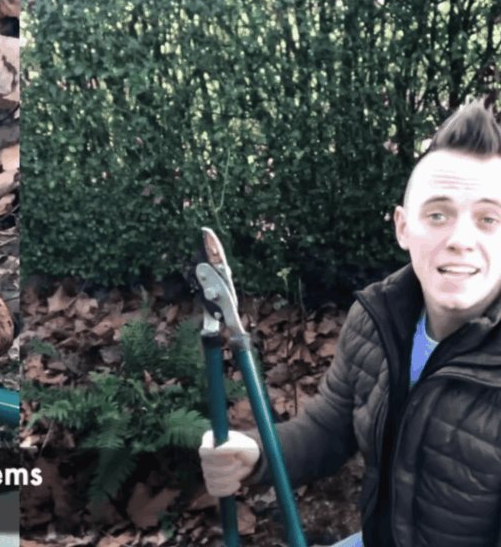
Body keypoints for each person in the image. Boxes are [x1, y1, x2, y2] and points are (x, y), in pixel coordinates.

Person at [198, 97, 501, 547]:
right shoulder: (376, 320)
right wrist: (256, 452)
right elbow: (326, 430)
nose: (460, 240)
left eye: (488, 219)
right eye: (437, 215)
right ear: (403, 227)